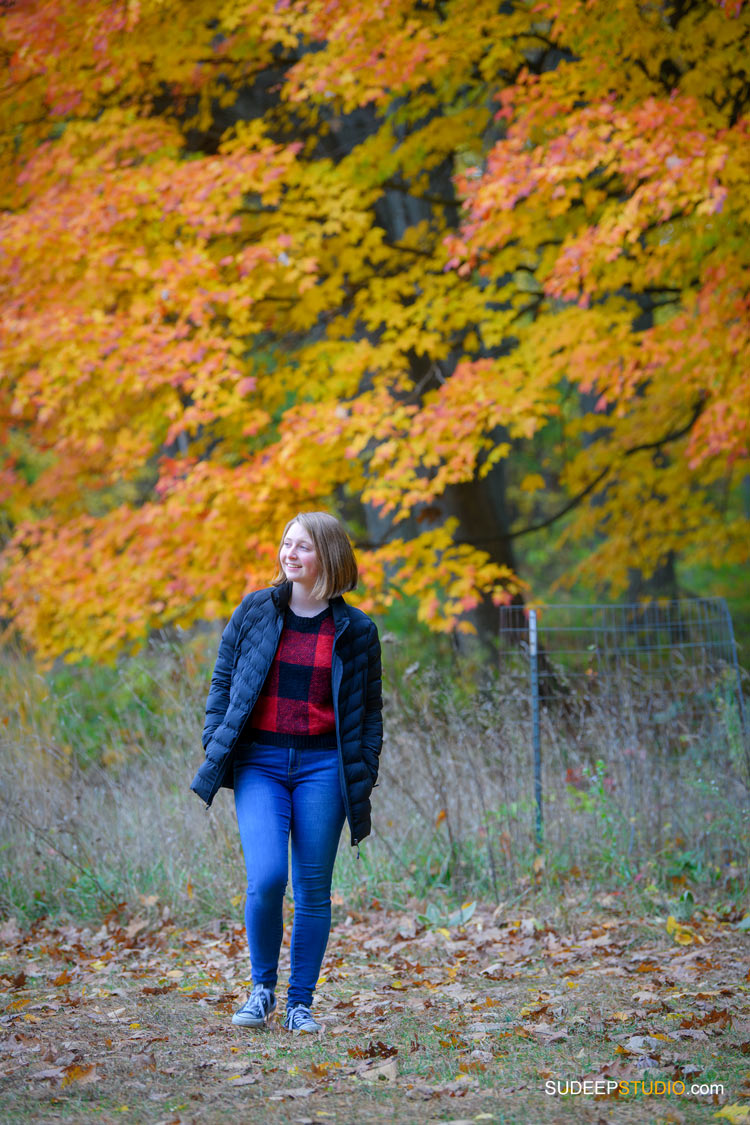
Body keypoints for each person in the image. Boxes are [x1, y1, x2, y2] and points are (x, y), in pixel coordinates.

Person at [190, 511, 383, 1033]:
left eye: (302, 546)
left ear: (329, 556)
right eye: (285, 544)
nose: (289, 554)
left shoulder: (358, 630)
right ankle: (262, 991)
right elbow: (223, 681)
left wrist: (364, 766)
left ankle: (301, 1004)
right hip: (260, 763)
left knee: (313, 888)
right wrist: (215, 741)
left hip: (325, 766)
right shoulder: (255, 611)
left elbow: (370, 713)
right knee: (269, 877)